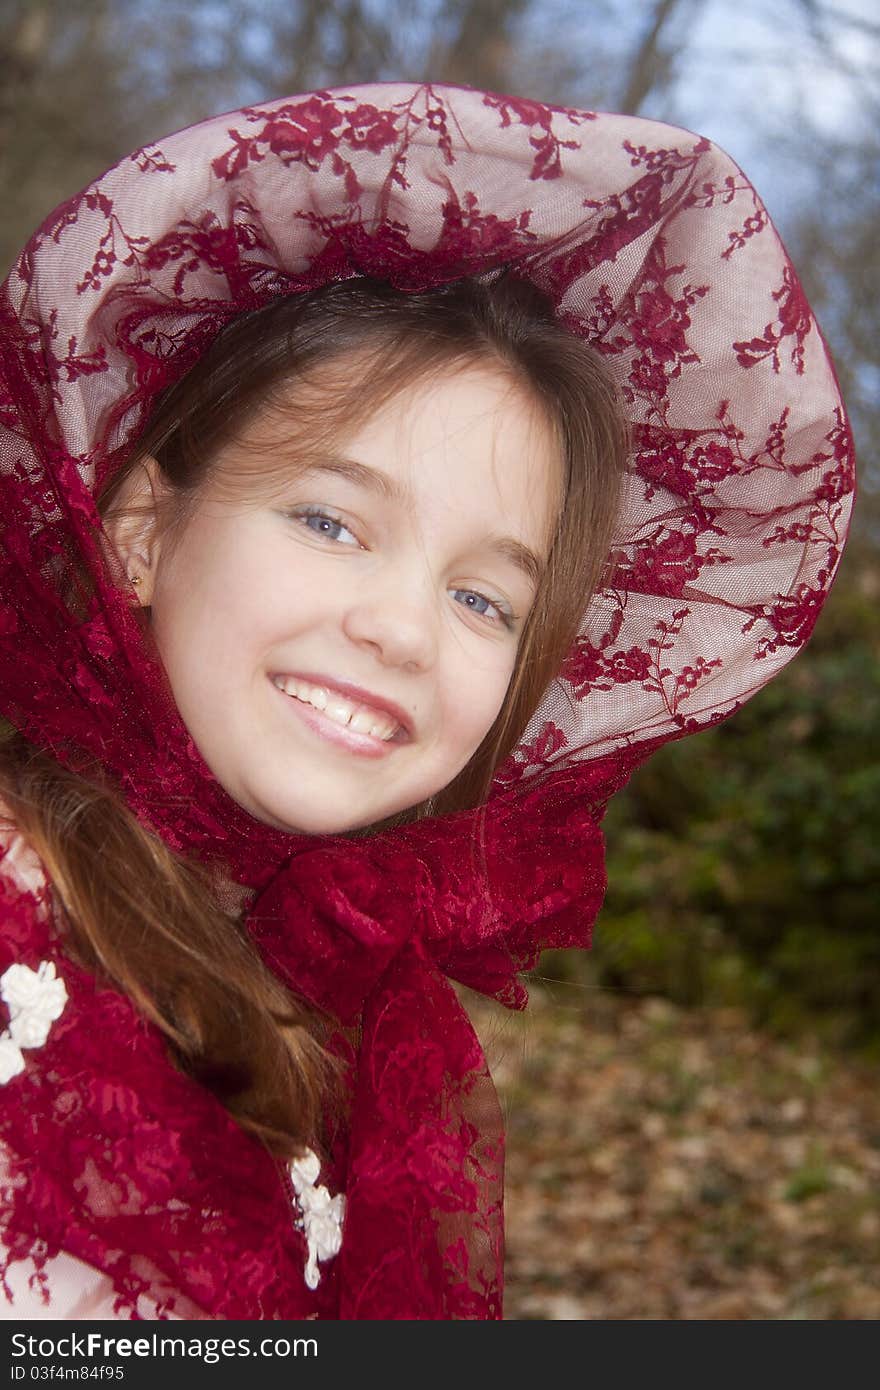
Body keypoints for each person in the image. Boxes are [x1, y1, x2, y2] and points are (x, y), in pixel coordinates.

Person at [0, 83, 854, 1321]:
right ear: (140, 531)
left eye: (482, 600)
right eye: (330, 519)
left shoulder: (325, 986)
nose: (401, 629)